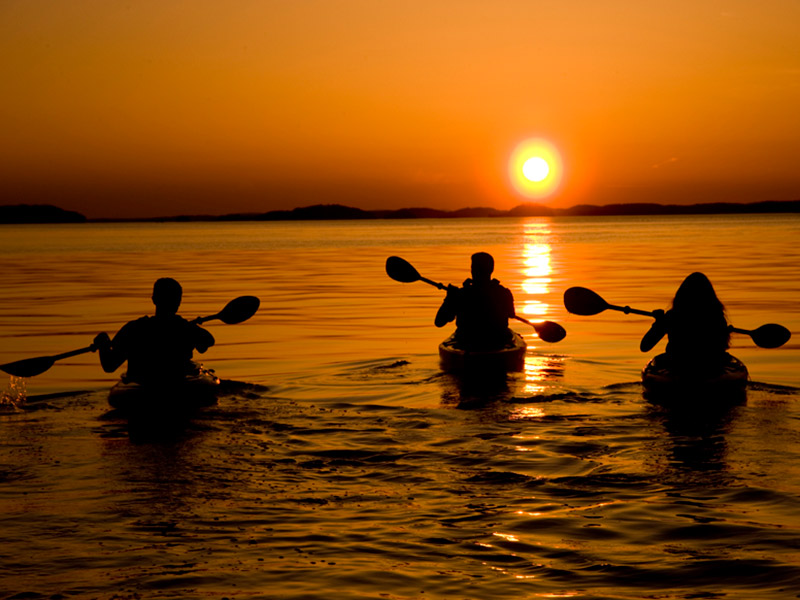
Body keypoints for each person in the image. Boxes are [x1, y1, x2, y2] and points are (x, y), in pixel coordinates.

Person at [93, 278, 215, 384]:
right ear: (178, 302)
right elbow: (208, 342)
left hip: (142, 388)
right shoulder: (186, 328)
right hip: (176, 385)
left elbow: (109, 366)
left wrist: (103, 344)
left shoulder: (134, 328)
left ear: (154, 299)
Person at [639, 272, 731, 372]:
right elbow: (644, 347)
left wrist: (660, 323)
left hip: (677, 365)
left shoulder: (672, 316)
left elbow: (645, 346)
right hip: (711, 366)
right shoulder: (716, 316)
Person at [435, 252, 516, 349]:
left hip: (467, 342)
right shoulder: (504, 293)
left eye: (474, 267)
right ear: (491, 270)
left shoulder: (461, 294)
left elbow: (439, 322)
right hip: (497, 342)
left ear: (473, 270)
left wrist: (449, 298)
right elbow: (511, 314)